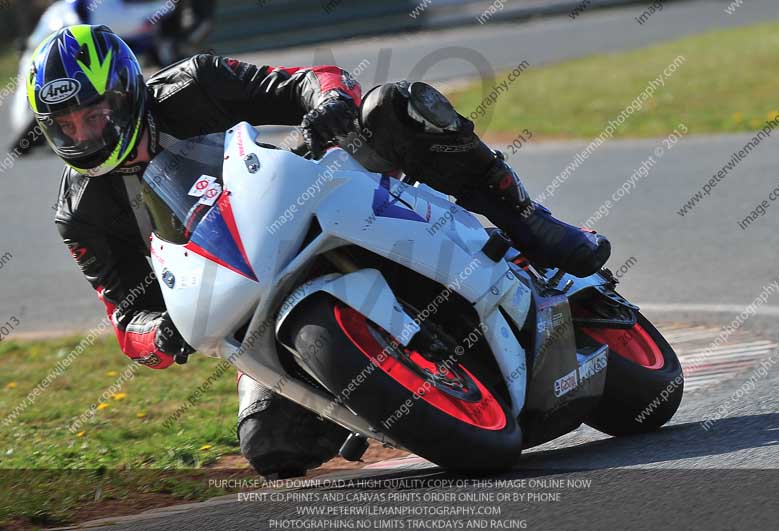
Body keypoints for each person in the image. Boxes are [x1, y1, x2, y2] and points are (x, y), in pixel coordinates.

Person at [28, 25, 610, 477]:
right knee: (270, 447)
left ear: (126, 94)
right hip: (245, 293)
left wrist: (329, 101)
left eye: (95, 115)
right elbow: (123, 315)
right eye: (68, 126)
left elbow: (311, 79)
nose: (85, 135)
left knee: (392, 106)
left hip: (306, 189)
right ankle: (399, 395)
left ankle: (530, 223)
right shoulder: (79, 213)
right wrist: (157, 334)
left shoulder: (194, 83)